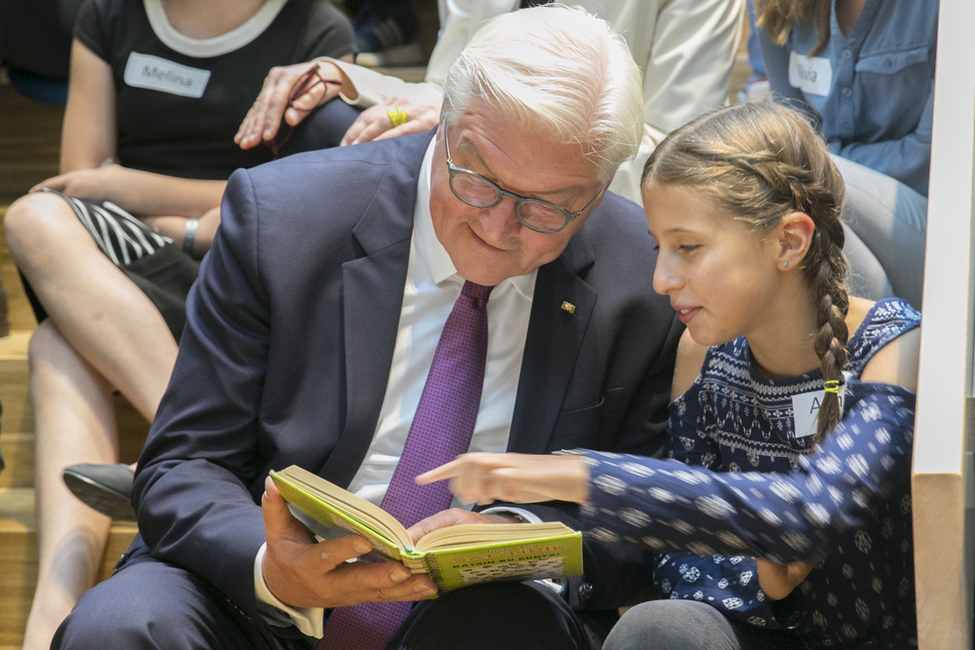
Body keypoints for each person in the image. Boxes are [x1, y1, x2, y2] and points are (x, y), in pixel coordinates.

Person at [51, 6, 682, 649]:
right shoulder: (284, 218)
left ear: (599, 192)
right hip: (260, 601)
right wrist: (276, 570)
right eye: (479, 181)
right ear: (444, 127)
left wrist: (521, 532)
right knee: (122, 628)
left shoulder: (642, 279)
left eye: (547, 208)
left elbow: (637, 524)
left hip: (482, 616)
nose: (498, 229)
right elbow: (185, 463)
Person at [419, 102, 921, 648]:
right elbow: (676, 566)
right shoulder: (700, 356)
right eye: (659, 248)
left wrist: (574, 475)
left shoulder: (894, 349)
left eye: (688, 248)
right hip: (741, 633)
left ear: (789, 242)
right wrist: (767, 581)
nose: (661, 279)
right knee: (659, 628)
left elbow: (806, 514)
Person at [2, 1, 355, 647]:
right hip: (137, 256)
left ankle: (183, 459)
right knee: (35, 221)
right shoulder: (108, 15)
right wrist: (187, 216)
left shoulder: (316, 30)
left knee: (58, 340)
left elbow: (315, 190)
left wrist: (144, 193)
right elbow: (74, 180)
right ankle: (51, 618)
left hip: (254, 268)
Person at [235, 0, 746, 205]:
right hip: (476, 167)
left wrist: (499, 130)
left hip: (594, 194)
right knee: (322, 117)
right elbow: (447, 83)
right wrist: (348, 78)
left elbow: (675, 161)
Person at [756, 0, 937, 309]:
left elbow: (926, 157)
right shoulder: (774, 4)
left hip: (933, 223)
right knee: (798, 202)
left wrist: (823, 162)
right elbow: (791, 132)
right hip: (824, 201)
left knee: (801, 184)